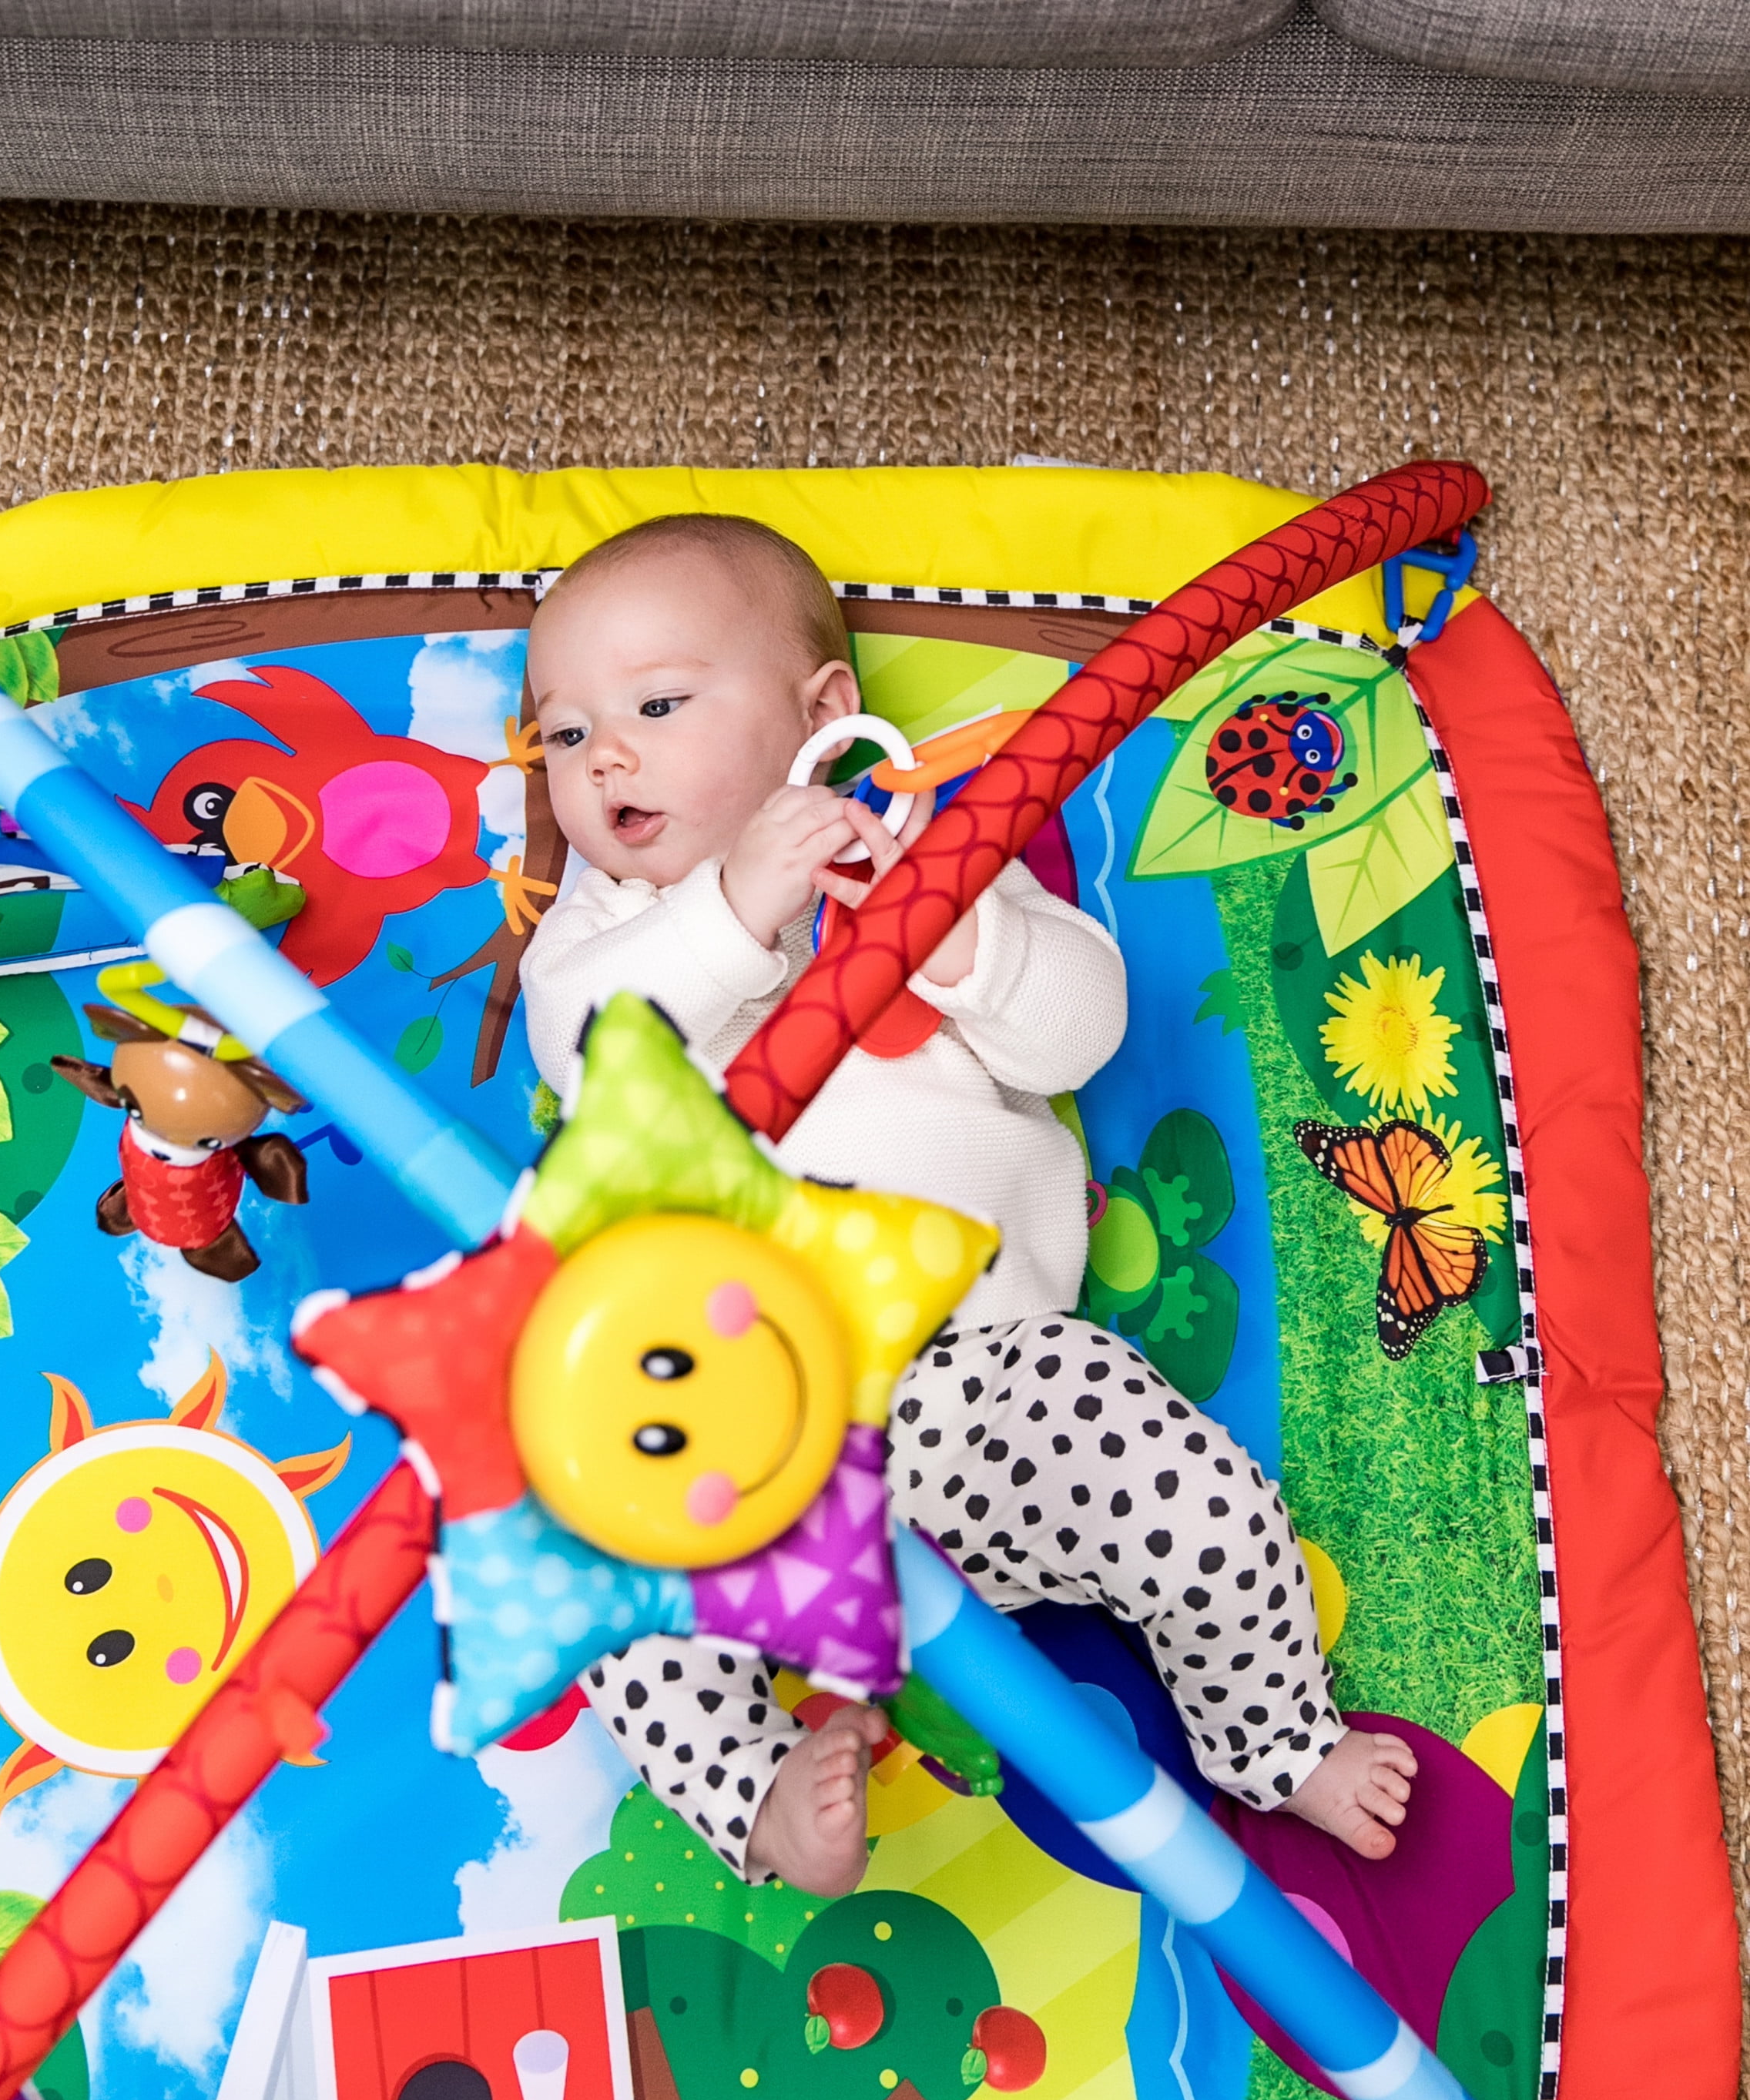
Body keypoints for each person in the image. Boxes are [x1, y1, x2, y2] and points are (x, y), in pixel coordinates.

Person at [518, 511, 1417, 1897]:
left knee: (1196, 1501)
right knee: (601, 1576)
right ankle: (757, 1801)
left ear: (826, 718)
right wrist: (731, 911)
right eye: (564, 735)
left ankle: (1272, 1738)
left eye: (655, 705)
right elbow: (584, 1042)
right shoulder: (602, 932)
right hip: (710, 1416)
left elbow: (1081, 1033)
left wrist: (954, 935)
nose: (604, 757)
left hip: (977, 1387)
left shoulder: (936, 869)